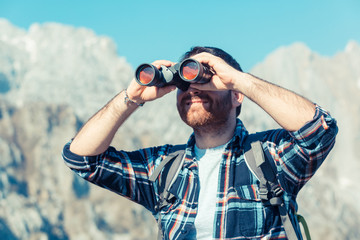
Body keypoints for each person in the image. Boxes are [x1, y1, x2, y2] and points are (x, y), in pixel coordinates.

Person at [62, 46, 338, 239]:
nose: (193, 89)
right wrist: (131, 98)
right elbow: (82, 159)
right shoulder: (163, 169)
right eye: (184, 84)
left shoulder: (270, 156)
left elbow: (319, 130)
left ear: (236, 96)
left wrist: (237, 80)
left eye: (204, 79)